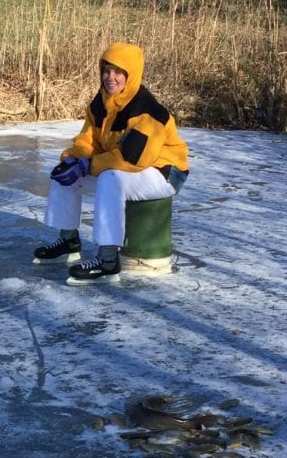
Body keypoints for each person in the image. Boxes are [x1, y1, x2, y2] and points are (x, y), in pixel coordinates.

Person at [33, 42, 190, 285]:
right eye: (106, 70)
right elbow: (89, 140)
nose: (110, 77)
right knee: (66, 173)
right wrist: (73, 158)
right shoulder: (101, 102)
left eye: (118, 72)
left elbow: (132, 158)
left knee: (109, 178)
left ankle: (107, 259)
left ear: (131, 74)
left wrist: (88, 166)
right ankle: (68, 241)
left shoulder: (147, 111)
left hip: (164, 173)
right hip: (126, 167)